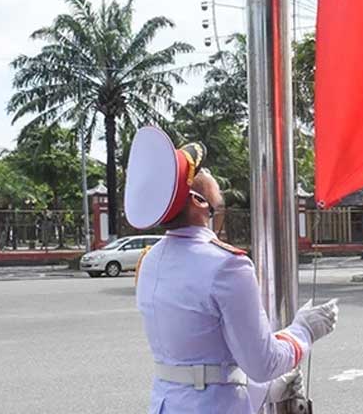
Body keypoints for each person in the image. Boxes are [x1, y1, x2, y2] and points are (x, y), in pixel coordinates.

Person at [126, 126, 339, 414]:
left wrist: (264, 388)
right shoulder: (226, 265)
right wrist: (303, 331)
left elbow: (200, 362)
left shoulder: (149, 262)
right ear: (199, 203)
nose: (213, 177)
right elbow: (263, 363)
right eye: (204, 173)